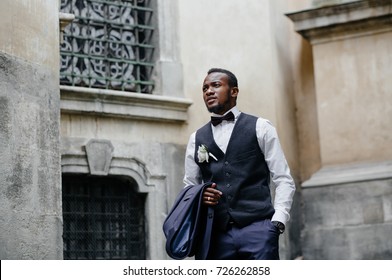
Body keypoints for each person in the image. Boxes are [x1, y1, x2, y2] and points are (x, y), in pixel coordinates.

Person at [183, 68, 295, 260]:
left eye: (216, 85)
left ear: (234, 91)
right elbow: (189, 187)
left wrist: (277, 222)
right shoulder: (196, 138)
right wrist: (200, 195)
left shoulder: (261, 127)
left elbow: (283, 178)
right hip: (215, 235)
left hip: (258, 230)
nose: (208, 91)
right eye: (204, 88)